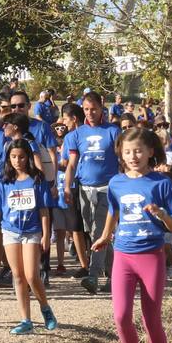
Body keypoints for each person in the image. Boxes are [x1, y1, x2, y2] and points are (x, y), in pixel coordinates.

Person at [88, 127, 172, 343]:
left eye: (139, 151)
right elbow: (114, 212)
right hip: (123, 256)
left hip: (151, 255)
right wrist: (105, 236)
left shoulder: (162, 183)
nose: (133, 156)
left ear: (151, 151)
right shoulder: (116, 182)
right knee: (120, 315)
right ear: (120, 154)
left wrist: (163, 215)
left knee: (151, 320)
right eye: (127, 152)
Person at [0, 139, 57, 335]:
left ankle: (45, 309)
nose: (17, 161)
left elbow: (44, 210)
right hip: (10, 231)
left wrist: (46, 234)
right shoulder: (2, 182)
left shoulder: (37, 180)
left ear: (28, 157)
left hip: (32, 231)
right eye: (13, 157)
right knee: (18, 276)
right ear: (8, 158)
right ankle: (25, 319)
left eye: (21, 156)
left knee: (31, 275)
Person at [64, 92, 121, 295]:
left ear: (102, 106)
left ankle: (93, 275)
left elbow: (122, 160)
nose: (90, 113)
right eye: (86, 109)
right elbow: (71, 164)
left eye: (93, 109)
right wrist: (67, 187)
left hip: (108, 189)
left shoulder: (113, 132)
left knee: (99, 231)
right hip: (84, 190)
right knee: (93, 233)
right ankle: (115, 276)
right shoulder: (76, 136)